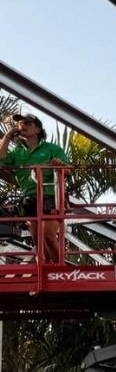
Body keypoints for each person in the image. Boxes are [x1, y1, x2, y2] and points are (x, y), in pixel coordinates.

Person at [0, 113, 68, 264]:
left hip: (51, 195)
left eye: (27, 123)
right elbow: (0, 157)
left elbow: (68, 170)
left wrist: (59, 164)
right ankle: (45, 270)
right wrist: (8, 136)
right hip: (29, 197)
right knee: (38, 240)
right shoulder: (17, 152)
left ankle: (61, 270)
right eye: (19, 124)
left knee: (48, 234)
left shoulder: (51, 148)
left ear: (37, 129)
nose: (22, 125)